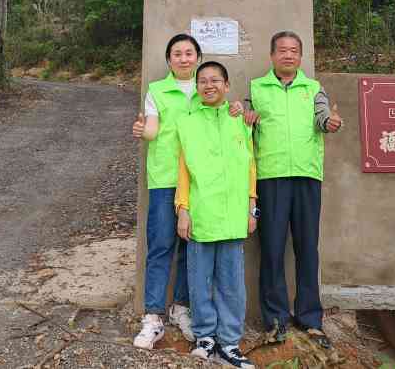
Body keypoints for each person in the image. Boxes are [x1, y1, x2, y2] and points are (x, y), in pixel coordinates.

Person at [131, 34, 244, 349]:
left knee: (189, 247)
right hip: (165, 178)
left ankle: (181, 308)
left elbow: (225, 116)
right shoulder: (157, 90)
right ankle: (153, 317)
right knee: (160, 246)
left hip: (197, 181)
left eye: (189, 53)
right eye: (177, 54)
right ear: (169, 60)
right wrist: (143, 130)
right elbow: (152, 127)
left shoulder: (204, 89)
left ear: (198, 57)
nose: (183, 58)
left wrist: (238, 109)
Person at [246, 31, 342, 348]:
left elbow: (323, 116)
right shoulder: (256, 89)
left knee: (307, 248)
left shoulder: (313, 88)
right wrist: (246, 118)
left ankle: (310, 318)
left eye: (294, 51)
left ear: (300, 56)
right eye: (282, 50)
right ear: (272, 55)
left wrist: (330, 122)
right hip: (270, 176)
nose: (288, 55)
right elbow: (243, 119)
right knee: (272, 249)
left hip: (306, 175)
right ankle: (275, 320)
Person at [175, 61, 257, 369]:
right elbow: (183, 171)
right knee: (199, 281)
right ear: (197, 87)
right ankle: (205, 337)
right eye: (203, 81)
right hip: (202, 212)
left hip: (234, 214)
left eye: (215, 80)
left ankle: (230, 342)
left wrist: (252, 207)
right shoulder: (187, 122)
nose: (209, 86)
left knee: (232, 283)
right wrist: (183, 210)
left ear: (226, 85)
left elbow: (250, 167)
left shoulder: (240, 120)